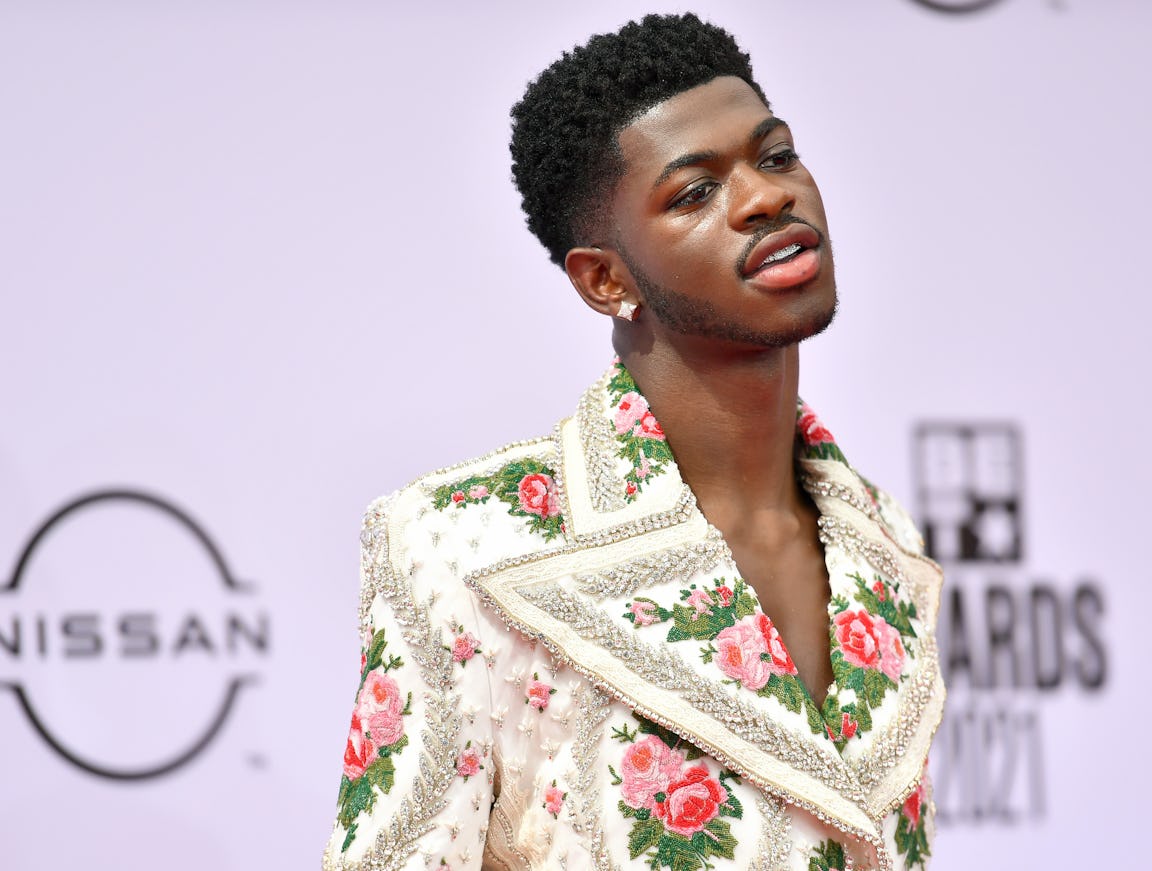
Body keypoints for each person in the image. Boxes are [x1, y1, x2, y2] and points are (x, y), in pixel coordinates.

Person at [324, 13, 944, 871]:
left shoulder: (884, 538)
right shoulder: (464, 544)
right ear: (605, 278)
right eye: (694, 192)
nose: (767, 197)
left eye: (774, 155)